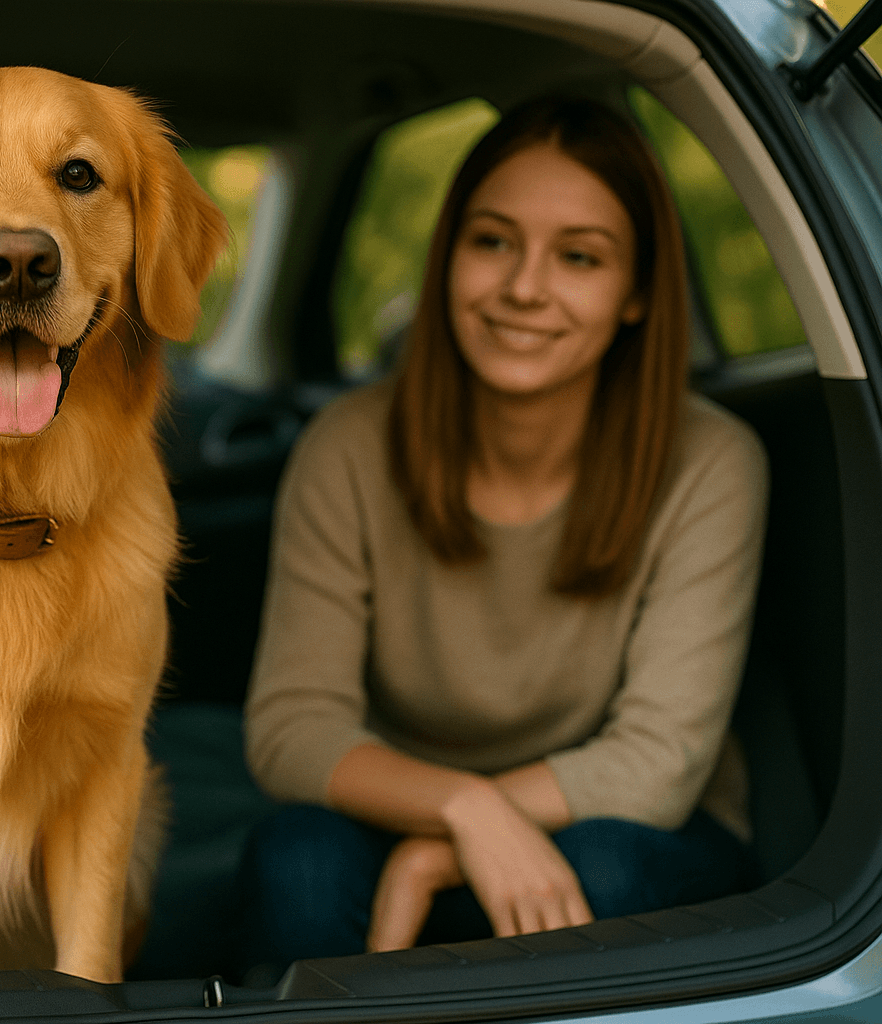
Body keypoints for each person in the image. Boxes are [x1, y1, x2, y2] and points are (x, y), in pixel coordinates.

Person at [238, 96, 768, 977]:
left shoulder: (711, 461)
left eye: (579, 258)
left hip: (622, 832)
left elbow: (657, 763)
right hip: (403, 808)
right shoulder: (349, 447)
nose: (525, 287)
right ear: (448, 256)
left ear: (636, 292)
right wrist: (466, 813)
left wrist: (436, 854)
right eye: (492, 242)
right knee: (296, 861)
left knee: (605, 869)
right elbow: (292, 730)